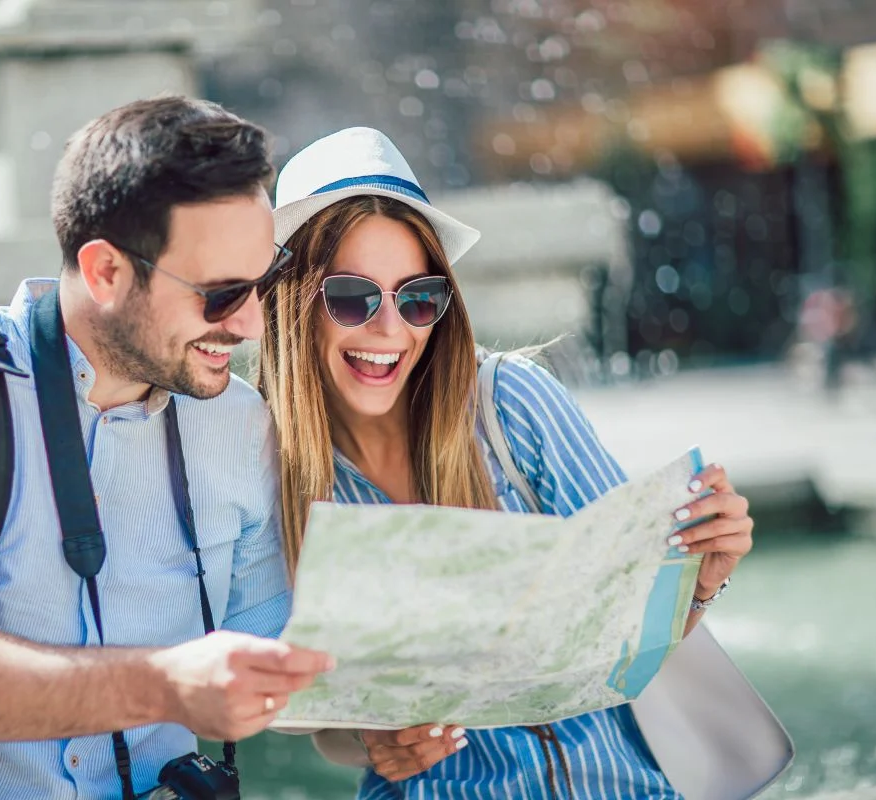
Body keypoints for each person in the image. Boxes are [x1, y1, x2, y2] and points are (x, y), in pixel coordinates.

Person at [0, 96, 333, 799]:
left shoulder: (240, 425)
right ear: (105, 272)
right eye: (220, 295)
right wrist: (163, 686)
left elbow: (281, 661)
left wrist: (391, 722)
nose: (249, 324)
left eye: (264, 283)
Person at [257, 127, 755, 799]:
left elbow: (627, 640)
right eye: (352, 296)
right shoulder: (263, 472)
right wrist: (379, 742)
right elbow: (326, 725)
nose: (391, 329)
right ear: (293, 297)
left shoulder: (511, 404)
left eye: (417, 297)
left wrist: (696, 583)